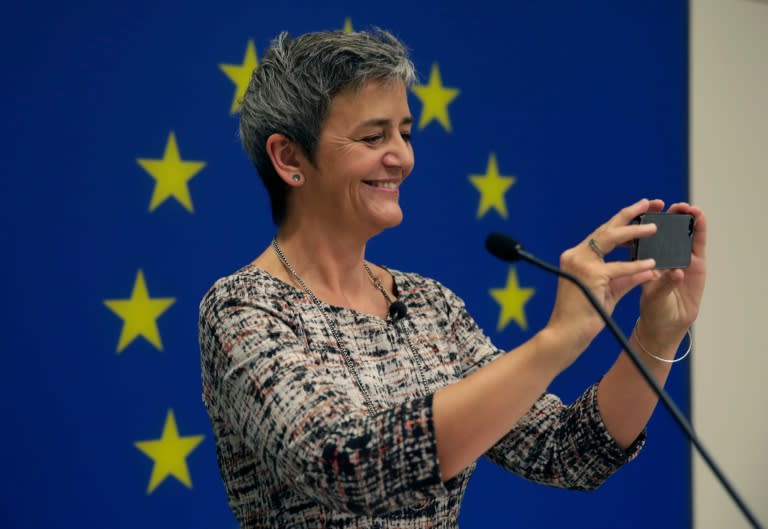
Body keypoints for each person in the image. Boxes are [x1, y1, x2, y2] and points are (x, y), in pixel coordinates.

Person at [198, 28, 707, 529]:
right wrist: (556, 341)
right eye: (373, 137)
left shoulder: (429, 305)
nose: (402, 157)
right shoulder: (242, 308)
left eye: (405, 133)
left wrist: (656, 335)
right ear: (290, 158)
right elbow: (348, 467)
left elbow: (566, 452)